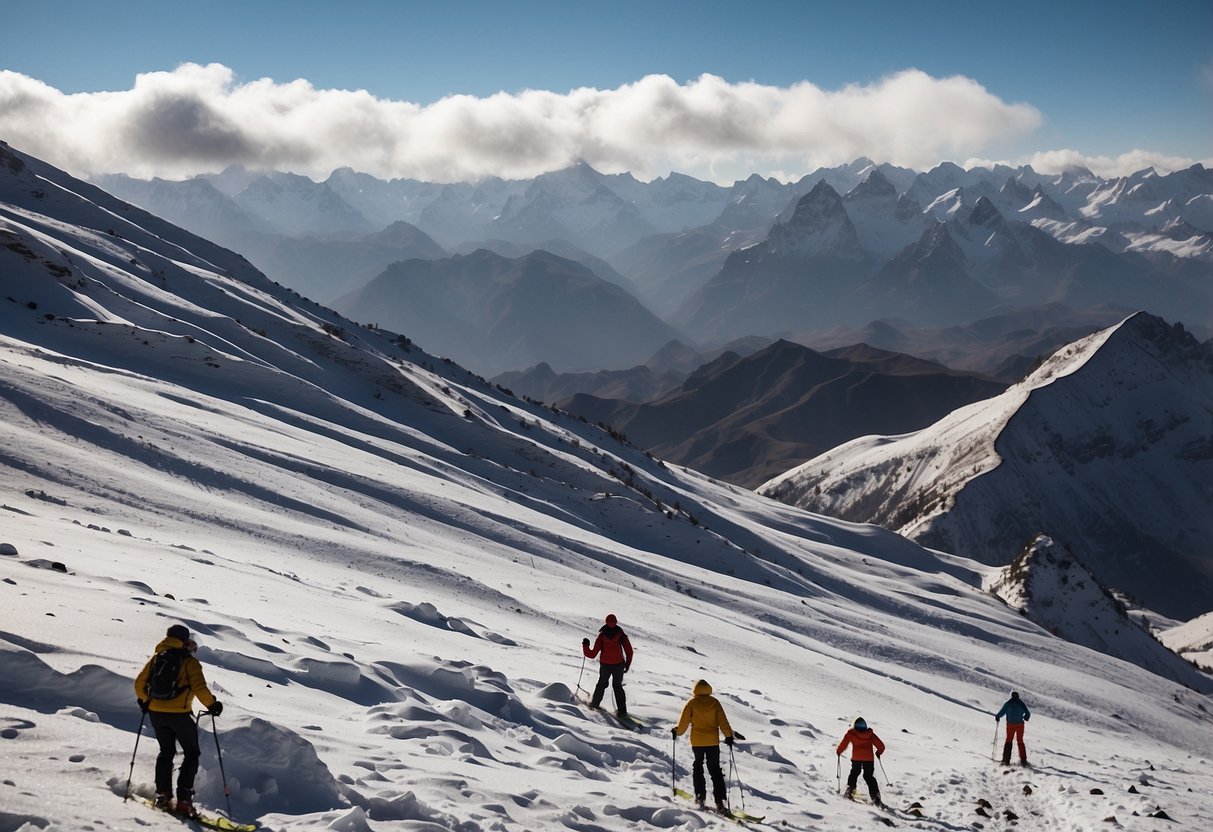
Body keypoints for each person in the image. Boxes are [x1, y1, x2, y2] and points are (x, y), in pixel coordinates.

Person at [134, 624, 222, 817]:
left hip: (156, 714)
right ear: (185, 640)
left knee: (166, 752)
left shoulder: (157, 658)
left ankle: (163, 795)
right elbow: (200, 688)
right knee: (191, 753)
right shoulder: (189, 661)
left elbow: (139, 684)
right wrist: (213, 705)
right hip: (179, 715)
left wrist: (146, 701)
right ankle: (184, 801)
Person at [673, 679, 738, 815]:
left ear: (695, 689)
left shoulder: (691, 703)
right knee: (715, 770)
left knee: (698, 766)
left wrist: (676, 731)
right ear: (708, 688)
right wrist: (728, 735)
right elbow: (723, 721)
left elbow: (683, 723)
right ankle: (720, 801)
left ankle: (700, 797)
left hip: (697, 742)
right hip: (712, 742)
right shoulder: (714, 703)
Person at [581, 613, 634, 717]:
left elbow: (591, 654)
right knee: (617, 687)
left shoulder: (602, 635)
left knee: (601, 684)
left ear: (606, 622)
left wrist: (585, 645)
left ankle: (594, 705)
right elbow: (629, 652)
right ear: (616, 622)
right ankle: (622, 712)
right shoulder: (620, 634)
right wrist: (627, 665)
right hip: (618, 665)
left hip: (605, 665)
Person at [836, 716, 885, 807]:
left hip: (856, 758)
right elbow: (881, 746)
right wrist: (879, 753)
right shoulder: (870, 734)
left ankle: (850, 791)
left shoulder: (851, 733)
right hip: (869, 759)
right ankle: (876, 798)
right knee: (869, 777)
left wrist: (839, 751)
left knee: (854, 773)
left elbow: (844, 744)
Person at [995, 690, 1031, 766]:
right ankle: (1023, 760)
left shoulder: (1008, 703)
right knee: (1020, 741)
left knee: (1009, 740)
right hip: (1020, 725)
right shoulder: (1021, 703)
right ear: (1018, 696)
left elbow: (1002, 712)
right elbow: (1027, 713)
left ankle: (1006, 760)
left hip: (1010, 724)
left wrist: (997, 716)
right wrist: (1025, 718)